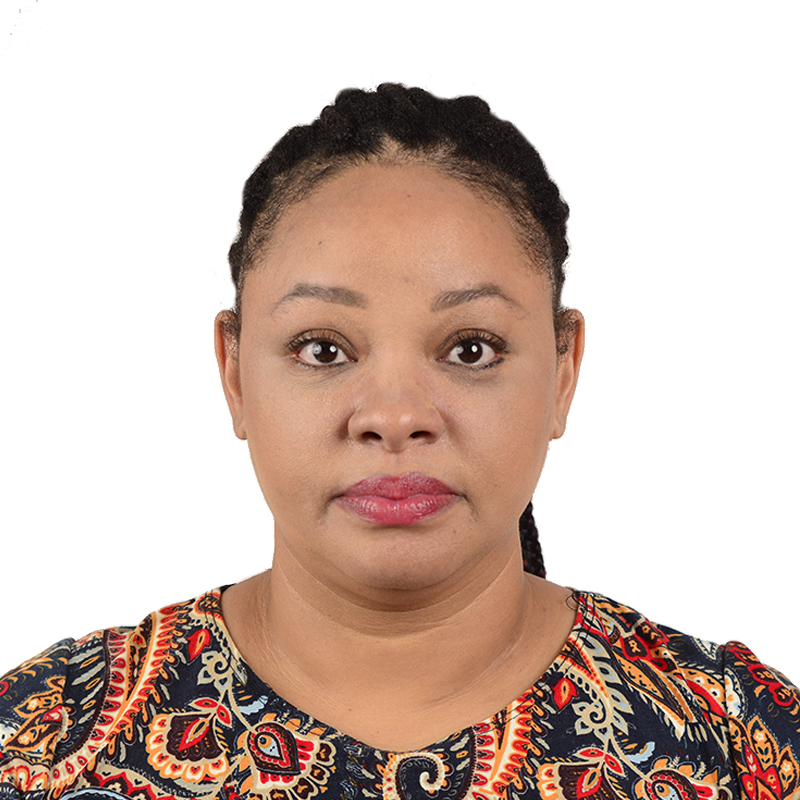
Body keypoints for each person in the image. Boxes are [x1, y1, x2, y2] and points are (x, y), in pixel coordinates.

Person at [1, 84, 797, 800]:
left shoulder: (738, 741)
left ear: (563, 371)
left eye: (471, 349)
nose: (394, 416)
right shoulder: (45, 746)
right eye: (323, 348)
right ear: (235, 373)